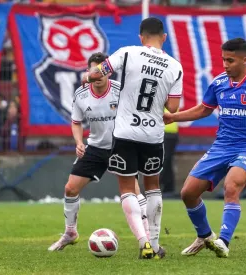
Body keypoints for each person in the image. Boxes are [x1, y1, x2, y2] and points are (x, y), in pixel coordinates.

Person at [164, 38, 246, 258]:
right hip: (221, 147)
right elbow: (203, 110)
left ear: (244, 59)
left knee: (232, 187)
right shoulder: (218, 82)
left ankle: (223, 241)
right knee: (188, 193)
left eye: (230, 60)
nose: (225, 64)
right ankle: (204, 236)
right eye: (223, 59)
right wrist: (173, 117)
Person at [82, 18, 182, 259]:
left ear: (140, 37)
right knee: (152, 187)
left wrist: (87, 77)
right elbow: (174, 107)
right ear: (164, 37)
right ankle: (156, 245)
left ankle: (143, 242)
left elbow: (98, 74)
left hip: (125, 132)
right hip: (153, 134)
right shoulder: (174, 66)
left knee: (127, 188)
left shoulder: (127, 53)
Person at [48, 53, 148, 251]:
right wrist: (78, 142)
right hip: (95, 147)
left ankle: (149, 236)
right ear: (88, 72)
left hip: (120, 147)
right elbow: (76, 122)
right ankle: (70, 232)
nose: (100, 74)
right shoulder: (81, 95)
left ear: (109, 72)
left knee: (134, 192)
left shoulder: (121, 92)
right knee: (70, 189)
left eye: (104, 70)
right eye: (95, 70)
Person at [160, 108, 179, 197]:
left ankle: (166, 187)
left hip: (168, 132)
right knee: (165, 160)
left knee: (165, 160)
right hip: (163, 131)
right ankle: (168, 188)